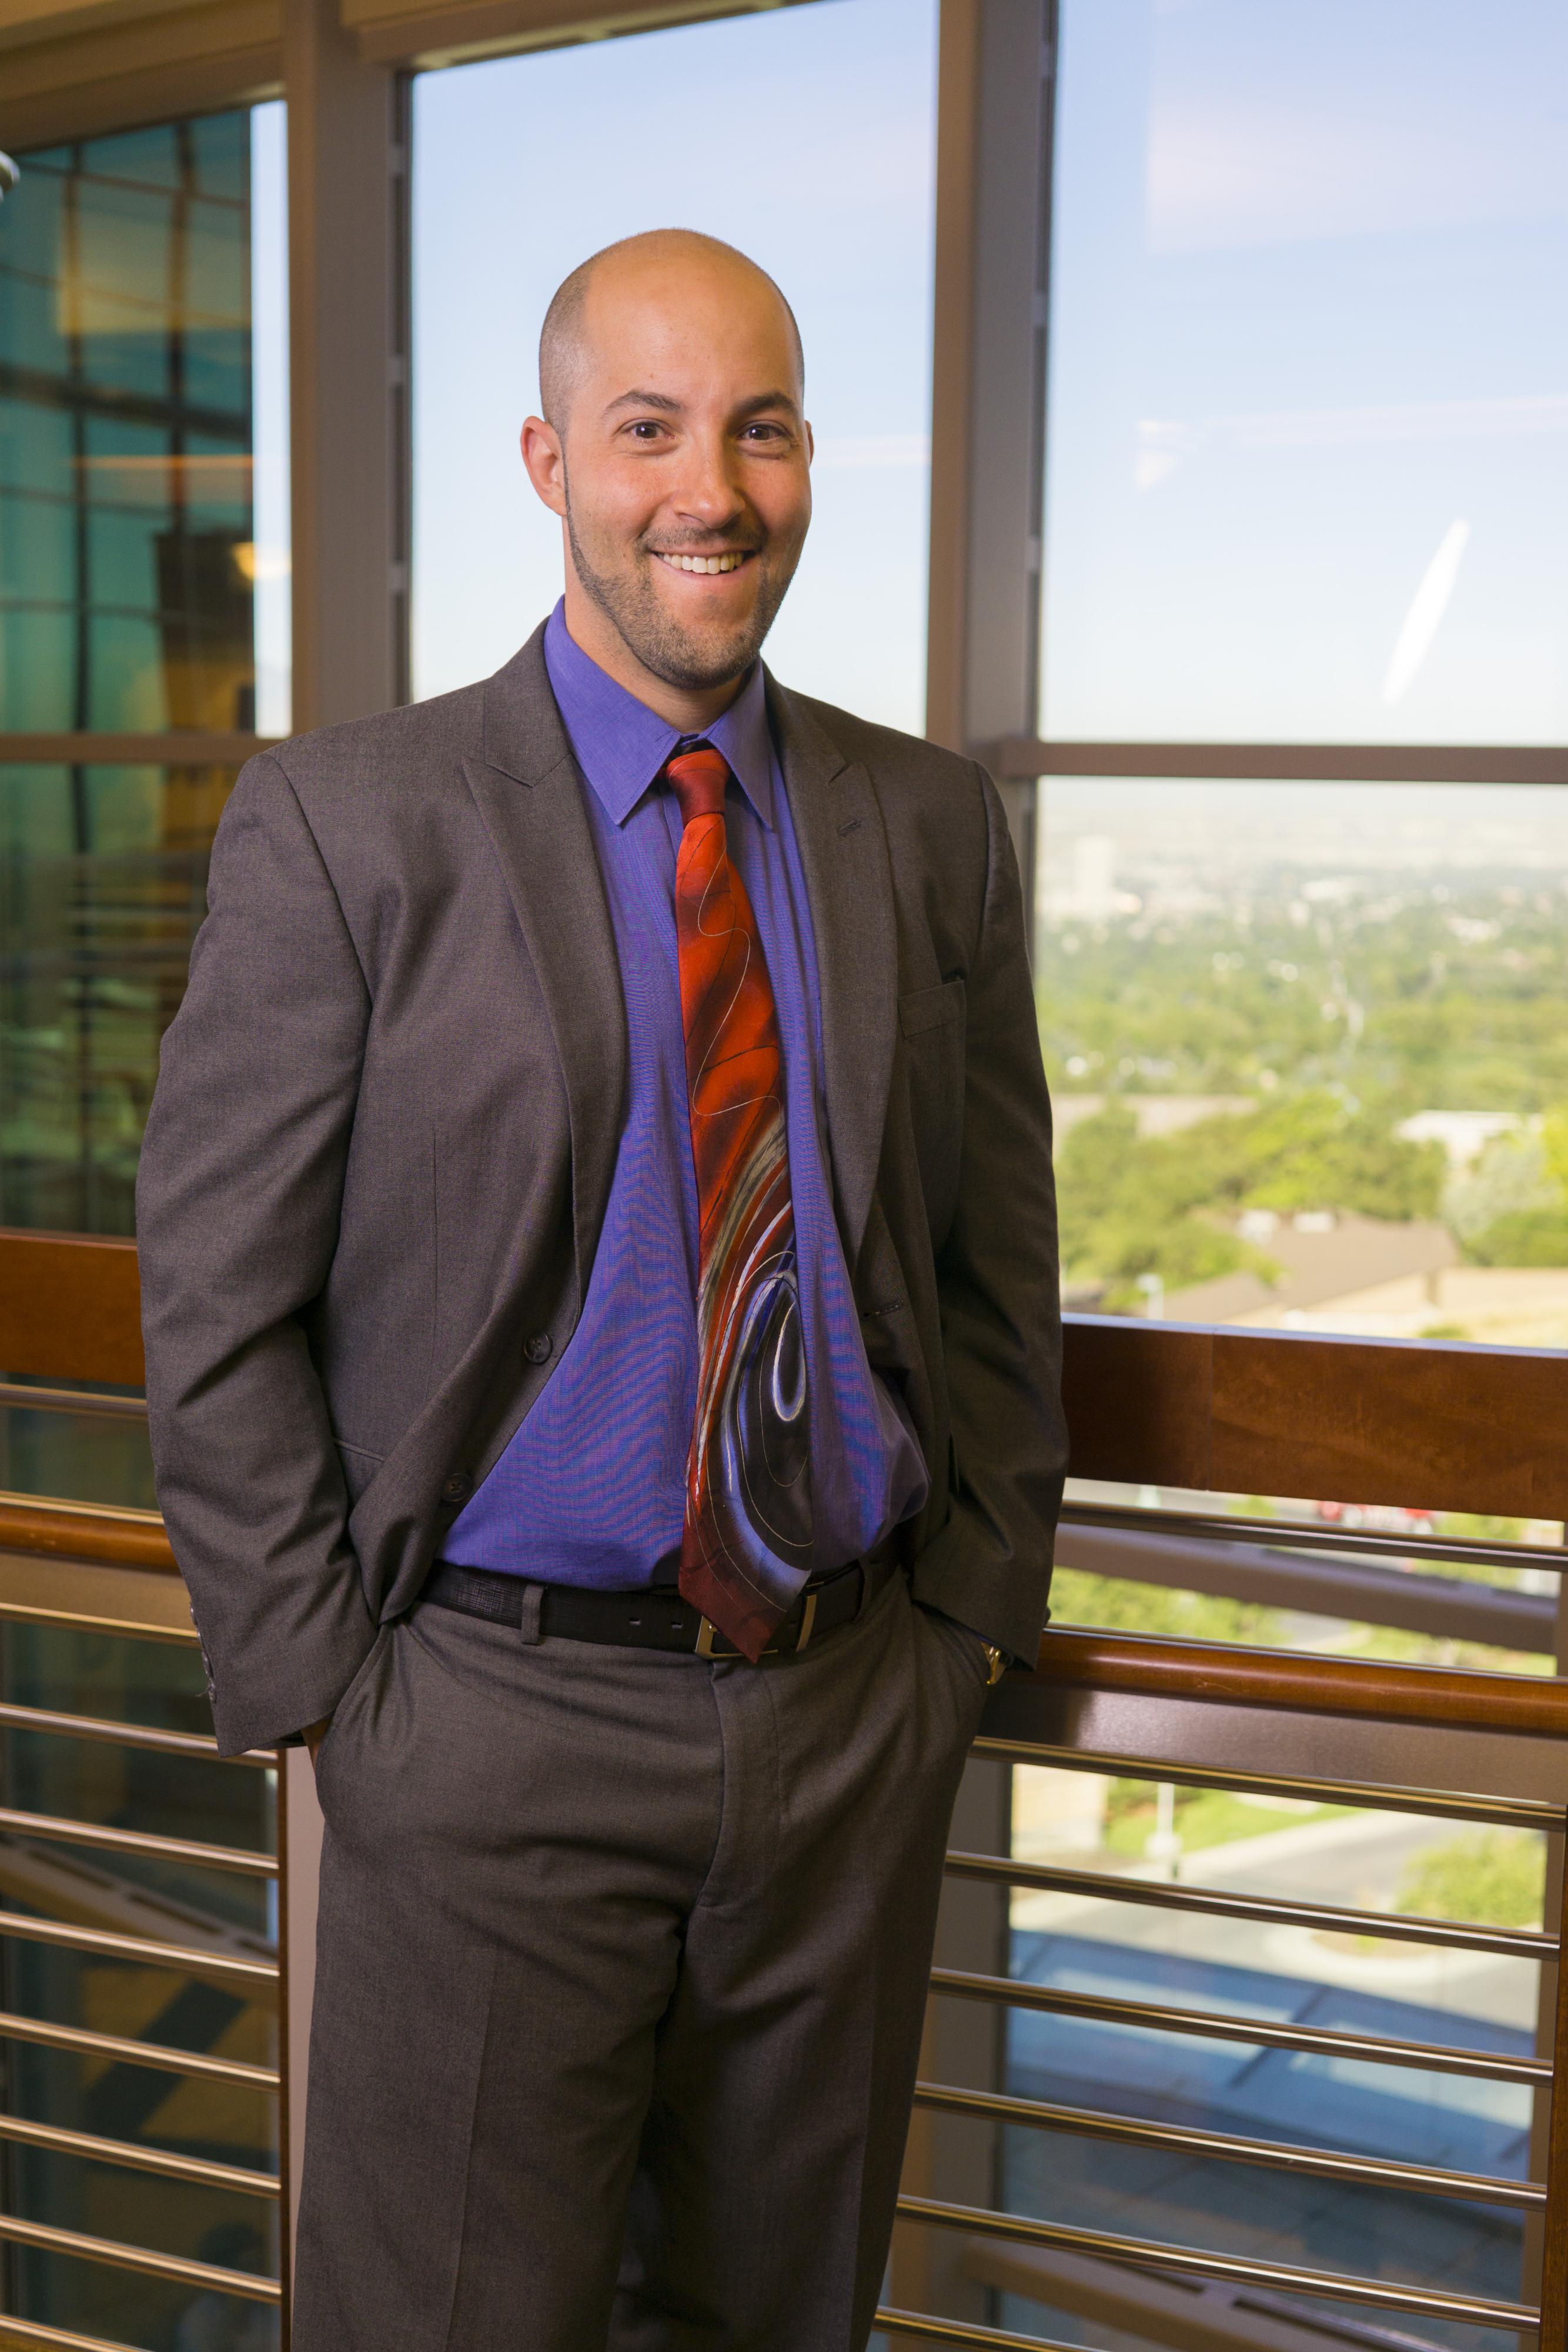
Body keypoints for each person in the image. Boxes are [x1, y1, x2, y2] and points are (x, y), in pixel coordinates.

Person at [136, 228, 1066, 2352]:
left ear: (807, 456)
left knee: (777, 2325)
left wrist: (961, 1634)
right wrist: (334, 1707)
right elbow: (211, 1289)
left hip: (844, 1723)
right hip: (482, 1731)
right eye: (646, 429)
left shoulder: (923, 827)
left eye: (756, 428)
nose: (706, 488)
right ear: (552, 457)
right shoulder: (351, 825)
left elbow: (992, 1263)